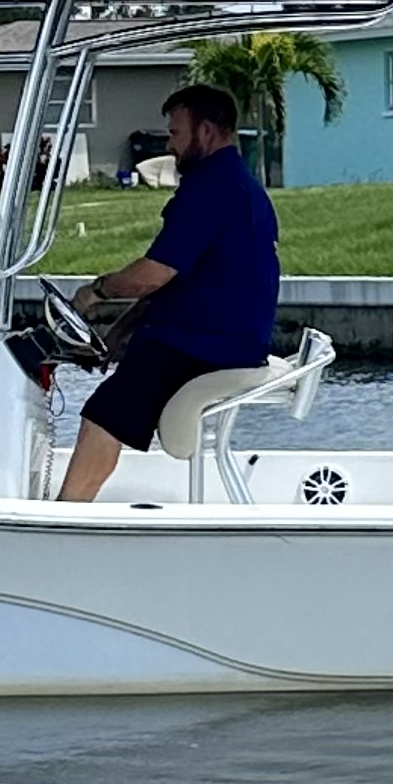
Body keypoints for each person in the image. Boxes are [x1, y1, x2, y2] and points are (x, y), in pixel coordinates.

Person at [56, 83, 280, 503]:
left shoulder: (211, 189)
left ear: (207, 132)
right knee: (116, 399)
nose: (170, 144)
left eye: (176, 133)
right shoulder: (238, 185)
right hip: (215, 338)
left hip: (206, 346)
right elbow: (175, 284)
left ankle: (64, 516)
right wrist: (118, 336)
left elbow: (152, 275)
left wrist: (95, 291)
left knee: (104, 415)